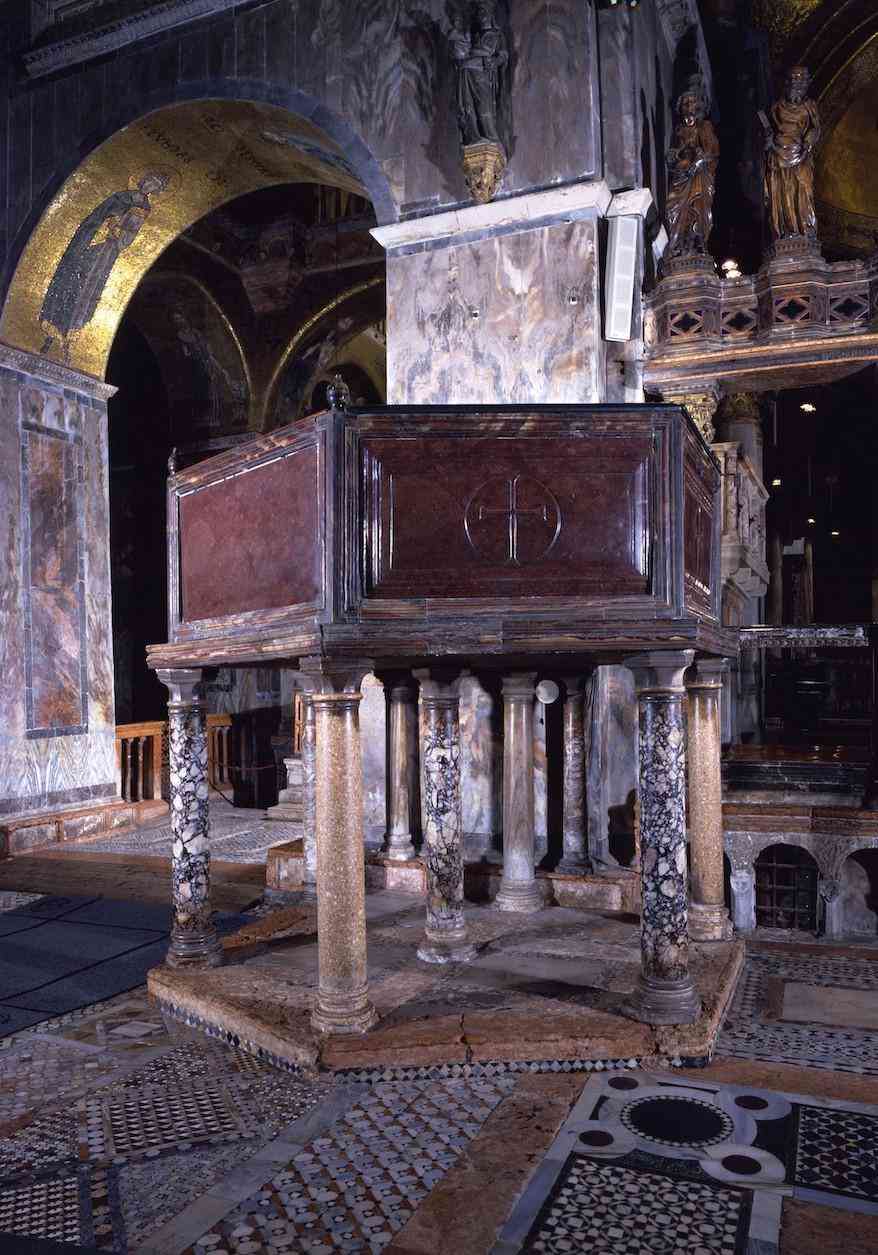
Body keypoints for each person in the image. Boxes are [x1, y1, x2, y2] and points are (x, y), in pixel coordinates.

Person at [40, 172, 170, 357]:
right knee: (70, 281)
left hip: (105, 253)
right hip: (88, 242)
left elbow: (130, 234)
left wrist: (118, 231)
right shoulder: (120, 196)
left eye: (155, 185)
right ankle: (50, 333)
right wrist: (107, 220)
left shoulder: (144, 208)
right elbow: (96, 215)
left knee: (86, 291)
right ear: (143, 180)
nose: (149, 185)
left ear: (156, 191)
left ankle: (68, 338)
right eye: (150, 181)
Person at [764, 66, 821, 241]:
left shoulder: (810, 106)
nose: (796, 83)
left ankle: (805, 230)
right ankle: (786, 230)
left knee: (803, 190)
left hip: (801, 154)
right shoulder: (777, 107)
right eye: (793, 79)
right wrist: (769, 140)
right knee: (782, 191)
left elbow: (816, 129)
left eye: (800, 79)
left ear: (806, 83)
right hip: (778, 153)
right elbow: (771, 130)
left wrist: (807, 144)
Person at [665, 87, 719, 258]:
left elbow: (711, 152)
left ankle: (695, 243)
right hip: (681, 174)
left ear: (698, 106)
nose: (689, 106)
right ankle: (678, 244)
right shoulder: (679, 130)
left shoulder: (704, 126)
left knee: (697, 206)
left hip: (698, 175)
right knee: (673, 207)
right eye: (685, 103)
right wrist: (674, 156)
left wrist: (696, 164)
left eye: (692, 102)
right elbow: (675, 154)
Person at [452, 1, 508, 148]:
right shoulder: (474, 35)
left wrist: (494, 61)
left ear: (490, 14)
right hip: (467, 71)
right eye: (479, 12)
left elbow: (503, 55)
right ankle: (473, 137)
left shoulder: (497, 35)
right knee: (467, 105)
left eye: (483, 11)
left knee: (484, 106)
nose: (480, 15)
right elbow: (461, 49)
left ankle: (491, 138)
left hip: (483, 73)